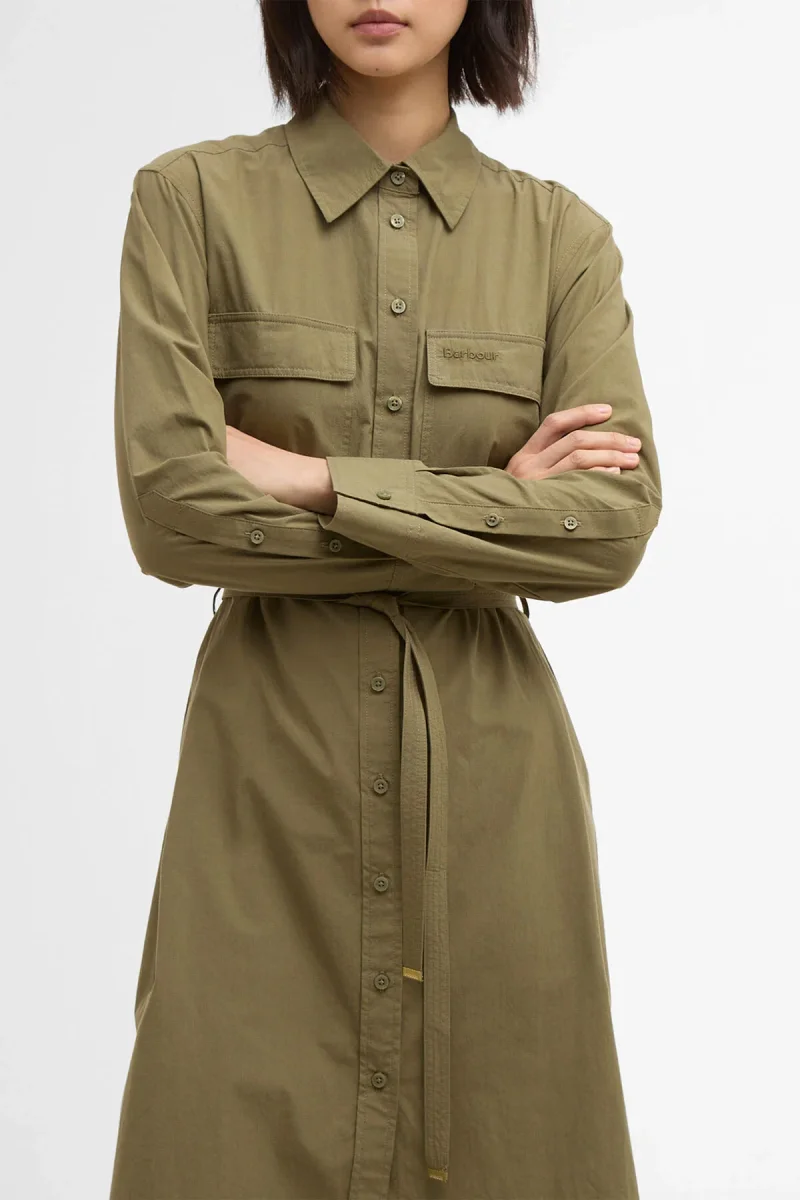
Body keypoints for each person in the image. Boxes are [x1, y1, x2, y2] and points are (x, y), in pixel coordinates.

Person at [109, 2, 662, 1197]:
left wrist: (310, 478)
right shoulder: (190, 203)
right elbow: (171, 513)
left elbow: (608, 530)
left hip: (496, 807)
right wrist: (490, 514)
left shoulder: (559, 240)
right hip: (264, 797)